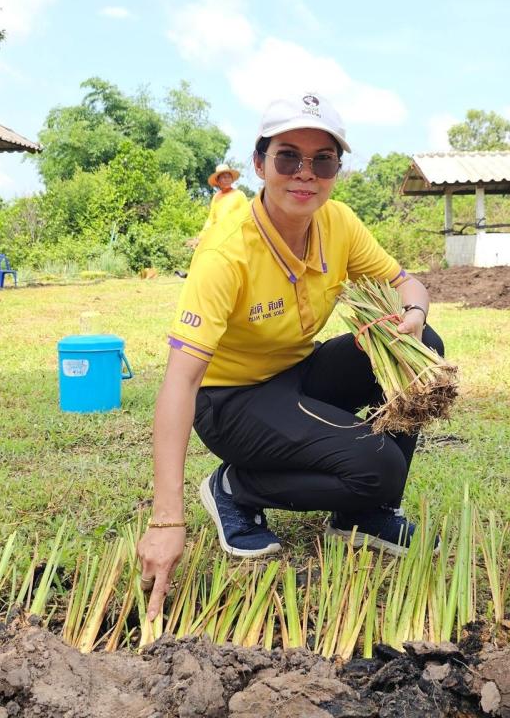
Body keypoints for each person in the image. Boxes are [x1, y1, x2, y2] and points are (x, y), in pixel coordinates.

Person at [137, 93, 443, 620]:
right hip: (229, 400)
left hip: (295, 373)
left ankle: (360, 518)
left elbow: (406, 282)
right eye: (287, 158)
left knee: (424, 346)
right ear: (259, 164)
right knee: (379, 468)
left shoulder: (339, 223)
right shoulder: (226, 252)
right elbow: (180, 384)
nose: (305, 173)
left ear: (336, 170)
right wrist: (167, 518)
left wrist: (412, 310)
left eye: (322, 160)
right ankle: (232, 487)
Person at [187, 163, 249, 249]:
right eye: (223, 177)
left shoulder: (239, 195)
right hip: (217, 237)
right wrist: (200, 237)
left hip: (234, 238)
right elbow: (211, 219)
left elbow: (247, 217)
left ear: (232, 179)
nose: (227, 179)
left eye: (228, 176)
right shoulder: (216, 197)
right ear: (218, 181)